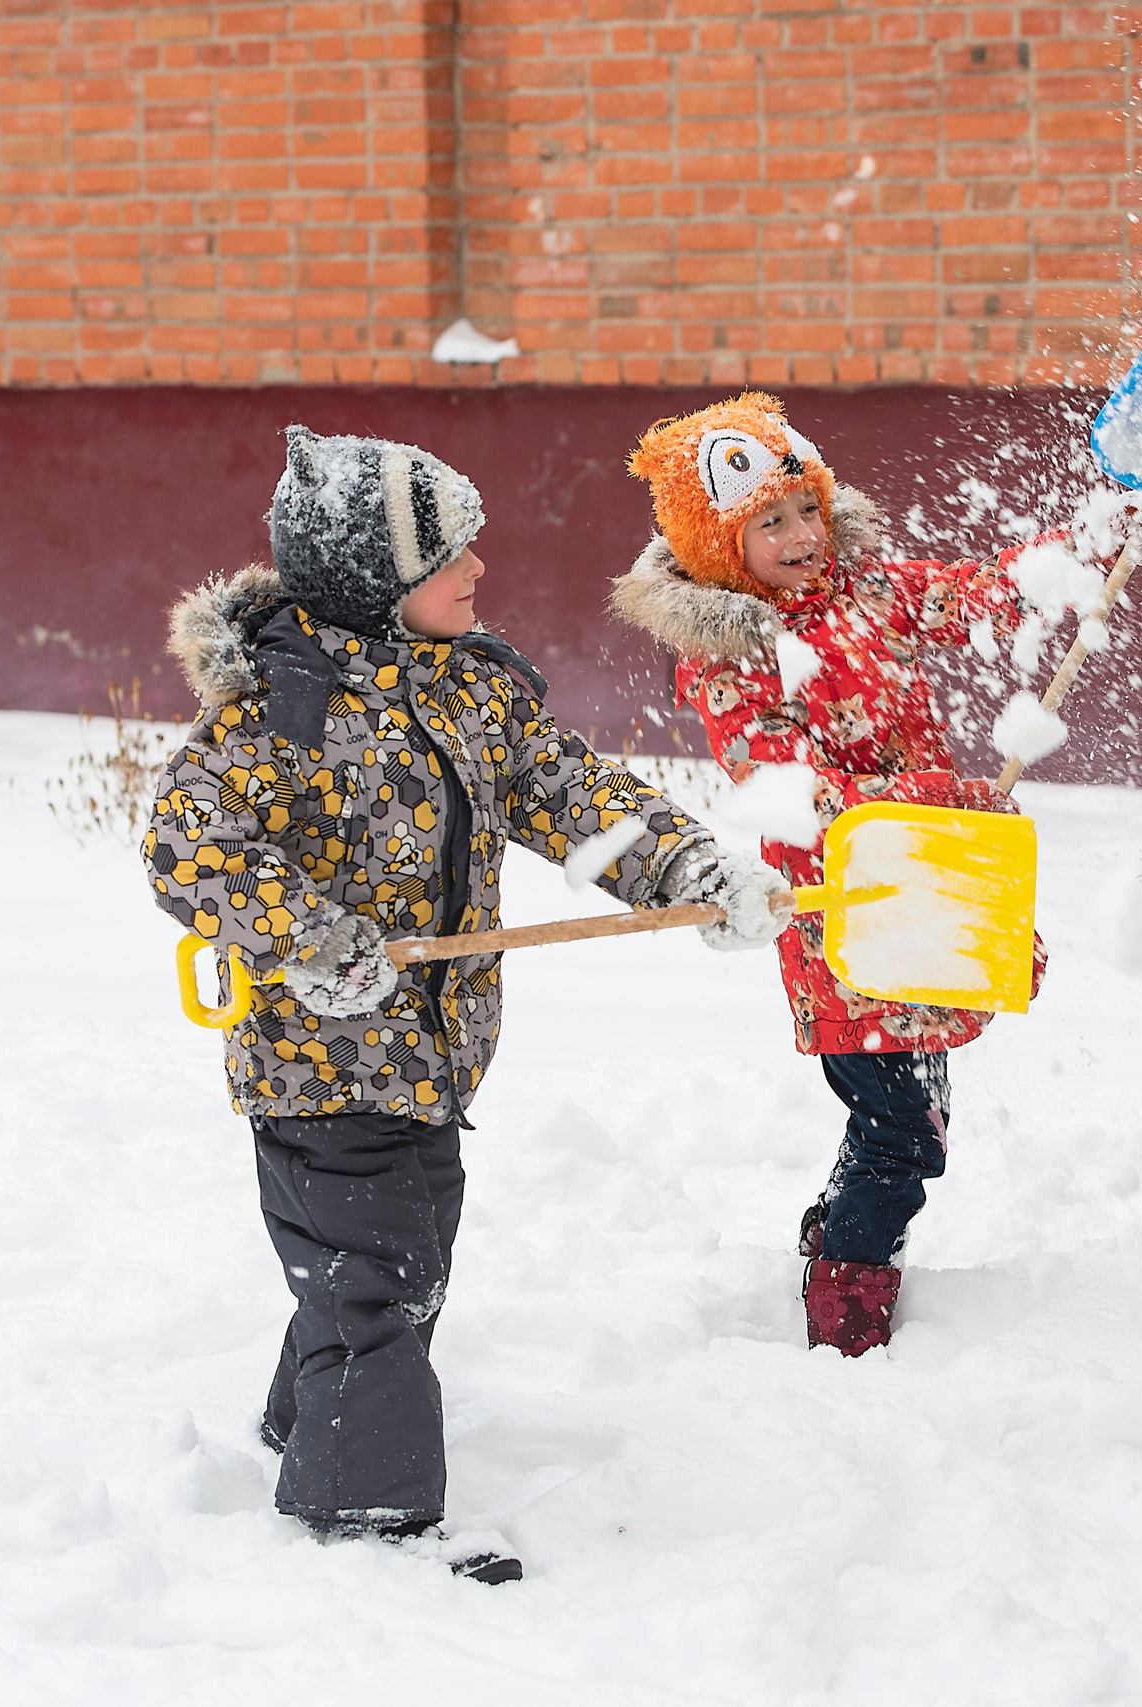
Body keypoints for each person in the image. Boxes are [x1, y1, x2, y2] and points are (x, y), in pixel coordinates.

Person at [143, 426, 791, 1580]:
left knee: (386, 1265)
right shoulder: (280, 711)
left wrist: (689, 871)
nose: (480, 571)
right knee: (380, 1281)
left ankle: (309, 1419)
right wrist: (314, 939)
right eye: (452, 556)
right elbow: (188, 844)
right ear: (373, 581)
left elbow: (572, 793)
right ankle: (369, 1522)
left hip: (430, 1061)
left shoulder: (468, 693)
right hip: (320, 1063)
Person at [610, 394, 1142, 1355]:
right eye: (768, 524)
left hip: (922, 891)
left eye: (806, 508)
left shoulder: (868, 591)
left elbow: (987, 591)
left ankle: (839, 1229)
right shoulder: (734, 662)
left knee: (910, 1110)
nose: (800, 536)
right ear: (718, 549)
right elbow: (794, 793)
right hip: (847, 917)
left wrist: (1091, 541)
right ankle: (847, 1302)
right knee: (902, 1133)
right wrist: (937, 798)